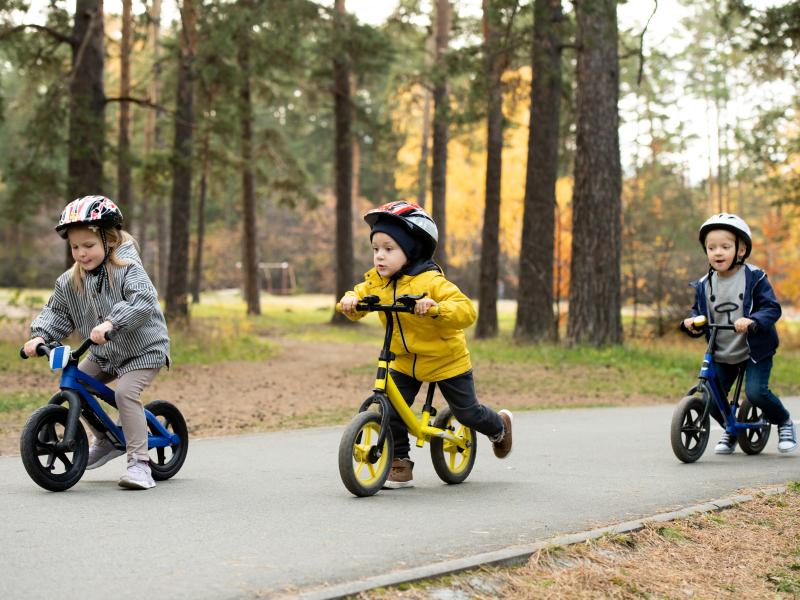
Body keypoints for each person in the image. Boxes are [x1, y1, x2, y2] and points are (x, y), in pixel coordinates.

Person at [339, 200, 513, 488]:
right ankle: (399, 464)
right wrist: (351, 301)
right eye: (376, 249)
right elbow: (359, 297)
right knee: (389, 410)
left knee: (467, 413)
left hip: (447, 361)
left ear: (413, 250)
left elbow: (466, 311)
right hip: (405, 361)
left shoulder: (433, 282)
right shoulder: (376, 283)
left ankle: (499, 427)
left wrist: (435, 308)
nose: (379, 256)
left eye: (388, 249)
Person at [23, 195, 170, 490]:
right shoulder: (69, 281)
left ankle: (140, 463)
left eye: (88, 245)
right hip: (105, 352)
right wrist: (39, 335)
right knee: (77, 384)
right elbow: (56, 312)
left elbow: (142, 300)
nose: (81, 253)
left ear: (110, 239)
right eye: (75, 247)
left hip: (143, 349)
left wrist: (113, 322)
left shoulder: (128, 268)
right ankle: (106, 439)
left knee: (126, 393)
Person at [681, 213, 796, 455]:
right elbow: (699, 312)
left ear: (741, 250)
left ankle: (784, 422)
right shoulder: (704, 283)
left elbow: (771, 308)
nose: (717, 253)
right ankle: (732, 430)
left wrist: (753, 320)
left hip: (754, 349)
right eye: (711, 248)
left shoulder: (754, 277)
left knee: (756, 392)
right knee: (711, 398)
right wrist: (693, 322)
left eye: (725, 246)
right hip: (723, 350)